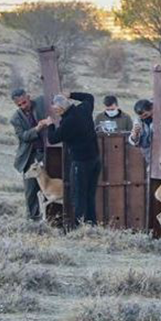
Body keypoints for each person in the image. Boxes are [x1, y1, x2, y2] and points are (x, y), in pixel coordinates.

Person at [46, 92, 100, 226]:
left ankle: (78, 226)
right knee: (89, 195)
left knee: (79, 196)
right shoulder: (83, 109)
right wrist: (71, 94)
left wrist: (50, 124)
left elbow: (52, 139)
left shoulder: (68, 122)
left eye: (56, 109)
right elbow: (89, 97)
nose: (56, 112)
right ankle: (91, 224)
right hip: (95, 160)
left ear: (61, 109)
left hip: (80, 163)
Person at [10, 89, 51, 221]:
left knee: (49, 187)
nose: (23, 106)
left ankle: (52, 218)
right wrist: (37, 128)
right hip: (30, 156)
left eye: (24, 102)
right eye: (19, 105)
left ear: (28, 97)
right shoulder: (15, 118)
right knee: (30, 191)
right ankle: (33, 221)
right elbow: (23, 136)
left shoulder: (41, 102)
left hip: (48, 152)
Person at [129, 99, 154, 168]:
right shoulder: (139, 121)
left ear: (152, 109)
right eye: (141, 117)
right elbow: (134, 140)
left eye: (146, 115)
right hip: (148, 155)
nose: (144, 118)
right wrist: (135, 134)